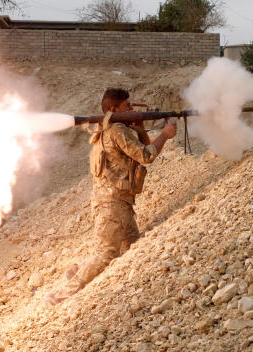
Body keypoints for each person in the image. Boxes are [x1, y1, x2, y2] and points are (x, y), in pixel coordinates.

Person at [45, 88, 177, 305]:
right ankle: (59, 296)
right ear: (114, 109)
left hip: (119, 203)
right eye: (127, 106)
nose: (131, 109)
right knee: (106, 253)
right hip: (112, 205)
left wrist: (141, 129)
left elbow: (142, 146)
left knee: (134, 249)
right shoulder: (117, 131)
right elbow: (146, 155)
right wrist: (165, 135)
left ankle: (77, 271)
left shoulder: (108, 128)